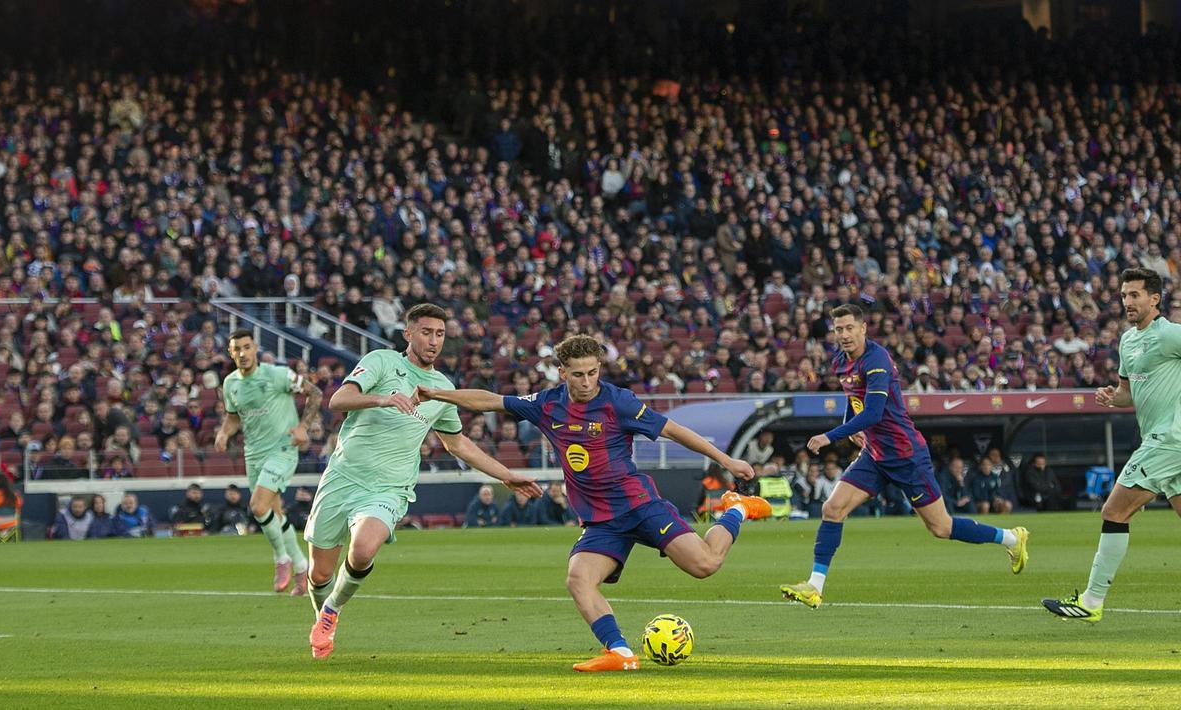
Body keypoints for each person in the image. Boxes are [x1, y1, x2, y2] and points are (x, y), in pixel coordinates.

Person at [417, 333, 768, 672]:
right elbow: (490, 400)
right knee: (578, 578)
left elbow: (674, 431)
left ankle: (736, 507)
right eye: (578, 374)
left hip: (639, 504)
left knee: (704, 565)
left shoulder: (619, 402)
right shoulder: (547, 403)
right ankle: (619, 652)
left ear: (600, 367)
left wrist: (726, 460)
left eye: (593, 372)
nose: (587, 381)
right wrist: (437, 393)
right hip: (601, 520)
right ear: (562, 371)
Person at [304, 304, 542, 659]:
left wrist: (506, 475)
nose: (434, 341)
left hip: (389, 487)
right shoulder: (383, 361)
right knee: (320, 574)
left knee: (365, 548)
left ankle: (332, 611)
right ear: (409, 334)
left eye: (440, 334)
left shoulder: (442, 389)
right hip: (343, 477)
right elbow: (339, 400)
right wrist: (385, 398)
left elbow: (457, 443)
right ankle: (323, 614)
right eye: (427, 332)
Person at [780, 304, 1028, 610]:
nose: (843, 335)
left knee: (941, 528)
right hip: (874, 455)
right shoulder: (840, 362)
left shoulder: (877, 359)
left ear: (863, 328)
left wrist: (832, 435)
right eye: (838, 329)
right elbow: (855, 401)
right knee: (833, 508)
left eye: (848, 328)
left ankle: (1012, 539)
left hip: (906, 455)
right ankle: (814, 587)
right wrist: (853, 429)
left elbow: (873, 412)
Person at [1044, 269, 1181, 622]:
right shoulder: (1127, 341)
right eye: (1124, 295)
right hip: (1163, 441)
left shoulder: (1170, 335)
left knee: (1113, 511)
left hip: (1167, 441)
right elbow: (1128, 393)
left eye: (1135, 295)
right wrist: (1112, 397)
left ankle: (1091, 601)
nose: (1128, 302)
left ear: (1155, 299)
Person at [215, 328, 323, 596]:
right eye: (237, 349)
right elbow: (233, 417)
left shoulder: (277, 374)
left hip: (282, 449)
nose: (242, 353)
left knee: (257, 506)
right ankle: (302, 568)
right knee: (274, 514)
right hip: (253, 454)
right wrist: (224, 431)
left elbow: (315, 393)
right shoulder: (230, 384)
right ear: (231, 353)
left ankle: (281, 559)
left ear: (255, 349)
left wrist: (302, 427)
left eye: (247, 347)